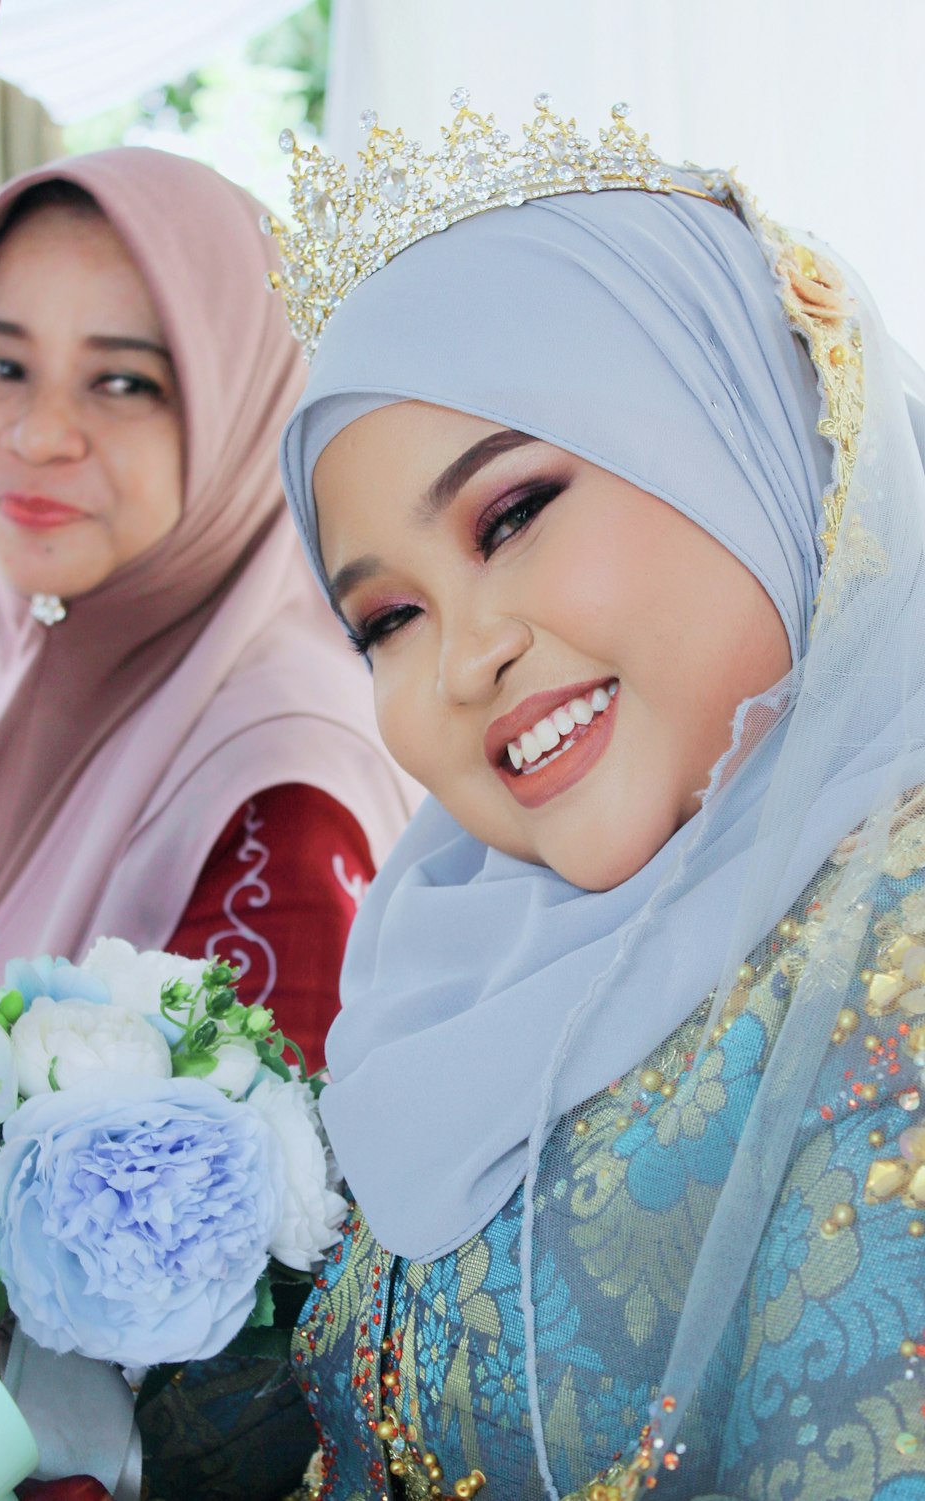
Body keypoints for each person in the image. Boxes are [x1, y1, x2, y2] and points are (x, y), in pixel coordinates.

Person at [272, 94, 925, 1499]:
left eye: (511, 515)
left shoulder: (903, 932)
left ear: (747, 437)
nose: (464, 656)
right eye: (385, 617)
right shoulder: (446, 960)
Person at [0, 147, 416, 1081]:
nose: (38, 435)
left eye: (125, 383)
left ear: (243, 408)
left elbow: (226, 1204)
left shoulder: (282, 794)